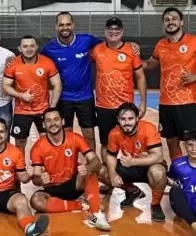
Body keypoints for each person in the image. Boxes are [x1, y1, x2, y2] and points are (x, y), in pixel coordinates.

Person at [39, 12, 141, 150]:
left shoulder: (87, 40)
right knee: (66, 134)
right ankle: (69, 161)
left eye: (68, 24)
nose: (65, 27)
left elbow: (111, 42)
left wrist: (130, 44)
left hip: (85, 97)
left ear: (73, 25)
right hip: (63, 98)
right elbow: (37, 64)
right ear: (56, 27)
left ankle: (91, 161)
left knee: (89, 135)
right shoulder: (48, 48)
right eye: (61, 25)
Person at [142, 7, 196, 161]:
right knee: (171, 142)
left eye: (174, 19)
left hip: (187, 102)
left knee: (194, 143)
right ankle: (180, 172)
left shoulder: (195, 41)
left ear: (181, 22)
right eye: (167, 20)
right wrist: (130, 55)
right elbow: (149, 64)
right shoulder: (160, 45)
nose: (170, 22)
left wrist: (194, 77)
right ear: (163, 24)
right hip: (166, 103)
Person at [90, 17, 147, 193]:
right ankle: (110, 179)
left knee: (131, 143)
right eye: (110, 29)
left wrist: (143, 103)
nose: (113, 32)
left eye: (117, 29)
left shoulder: (131, 50)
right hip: (104, 107)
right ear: (105, 31)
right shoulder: (96, 50)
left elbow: (140, 77)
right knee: (106, 144)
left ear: (122, 31)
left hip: (125, 107)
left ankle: (137, 177)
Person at [29, 108, 110, 231]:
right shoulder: (38, 147)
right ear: (44, 125)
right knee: (36, 201)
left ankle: (95, 214)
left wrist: (87, 167)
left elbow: (96, 161)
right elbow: (35, 179)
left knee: (97, 171)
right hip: (53, 188)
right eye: (48, 121)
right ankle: (80, 205)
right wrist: (40, 179)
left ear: (62, 121)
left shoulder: (75, 138)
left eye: (56, 119)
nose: (53, 123)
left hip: (74, 183)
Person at [103, 102, 168, 222]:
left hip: (148, 166)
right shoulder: (114, 133)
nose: (127, 122)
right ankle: (133, 191)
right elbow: (111, 155)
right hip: (129, 164)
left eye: (130, 118)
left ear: (137, 118)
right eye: (123, 119)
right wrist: (112, 173)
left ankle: (155, 204)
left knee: (158, 172)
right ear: (118, 119)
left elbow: (158, 157)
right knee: (102, 171)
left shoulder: (148, 128)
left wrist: (133, 161)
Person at [2, 35, 62, 157]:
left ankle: (45, 166)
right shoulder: (13, 64)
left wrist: (52, 107)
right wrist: (21, 95)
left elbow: (57, 84)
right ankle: (20, 167)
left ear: (36, 47)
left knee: (47, 141)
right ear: (20, 48)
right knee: (20, 142)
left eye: (31, 46)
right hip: (21, 111)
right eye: (25, 46)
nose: (28, 49)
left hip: (43, 110)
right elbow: (5, 86)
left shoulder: (47, 62)